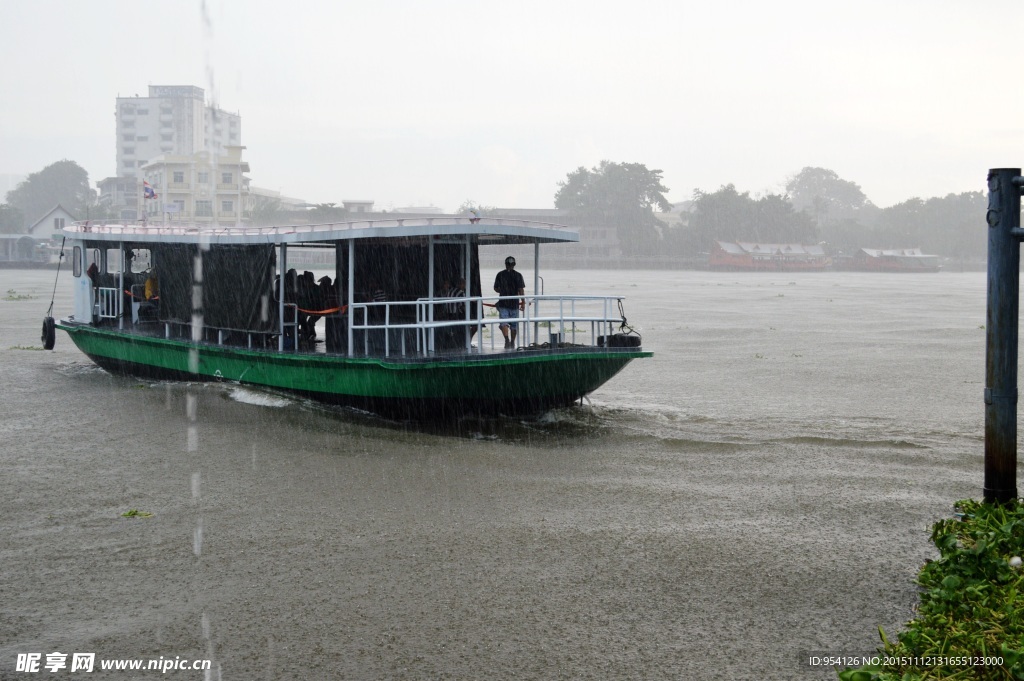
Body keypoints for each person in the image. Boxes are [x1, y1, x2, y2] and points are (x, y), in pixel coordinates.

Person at [493, 256, 525, 349]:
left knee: (504, 323)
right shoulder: (518, 275)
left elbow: (495, 288)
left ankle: (507, 339)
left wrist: (503, 291)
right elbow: (521, 290)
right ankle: (512, 342)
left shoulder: (500, 274)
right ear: (514, 265)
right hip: (514, 304)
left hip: (503, 303)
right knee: (514, 325)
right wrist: (523, 302)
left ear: (505, 264)